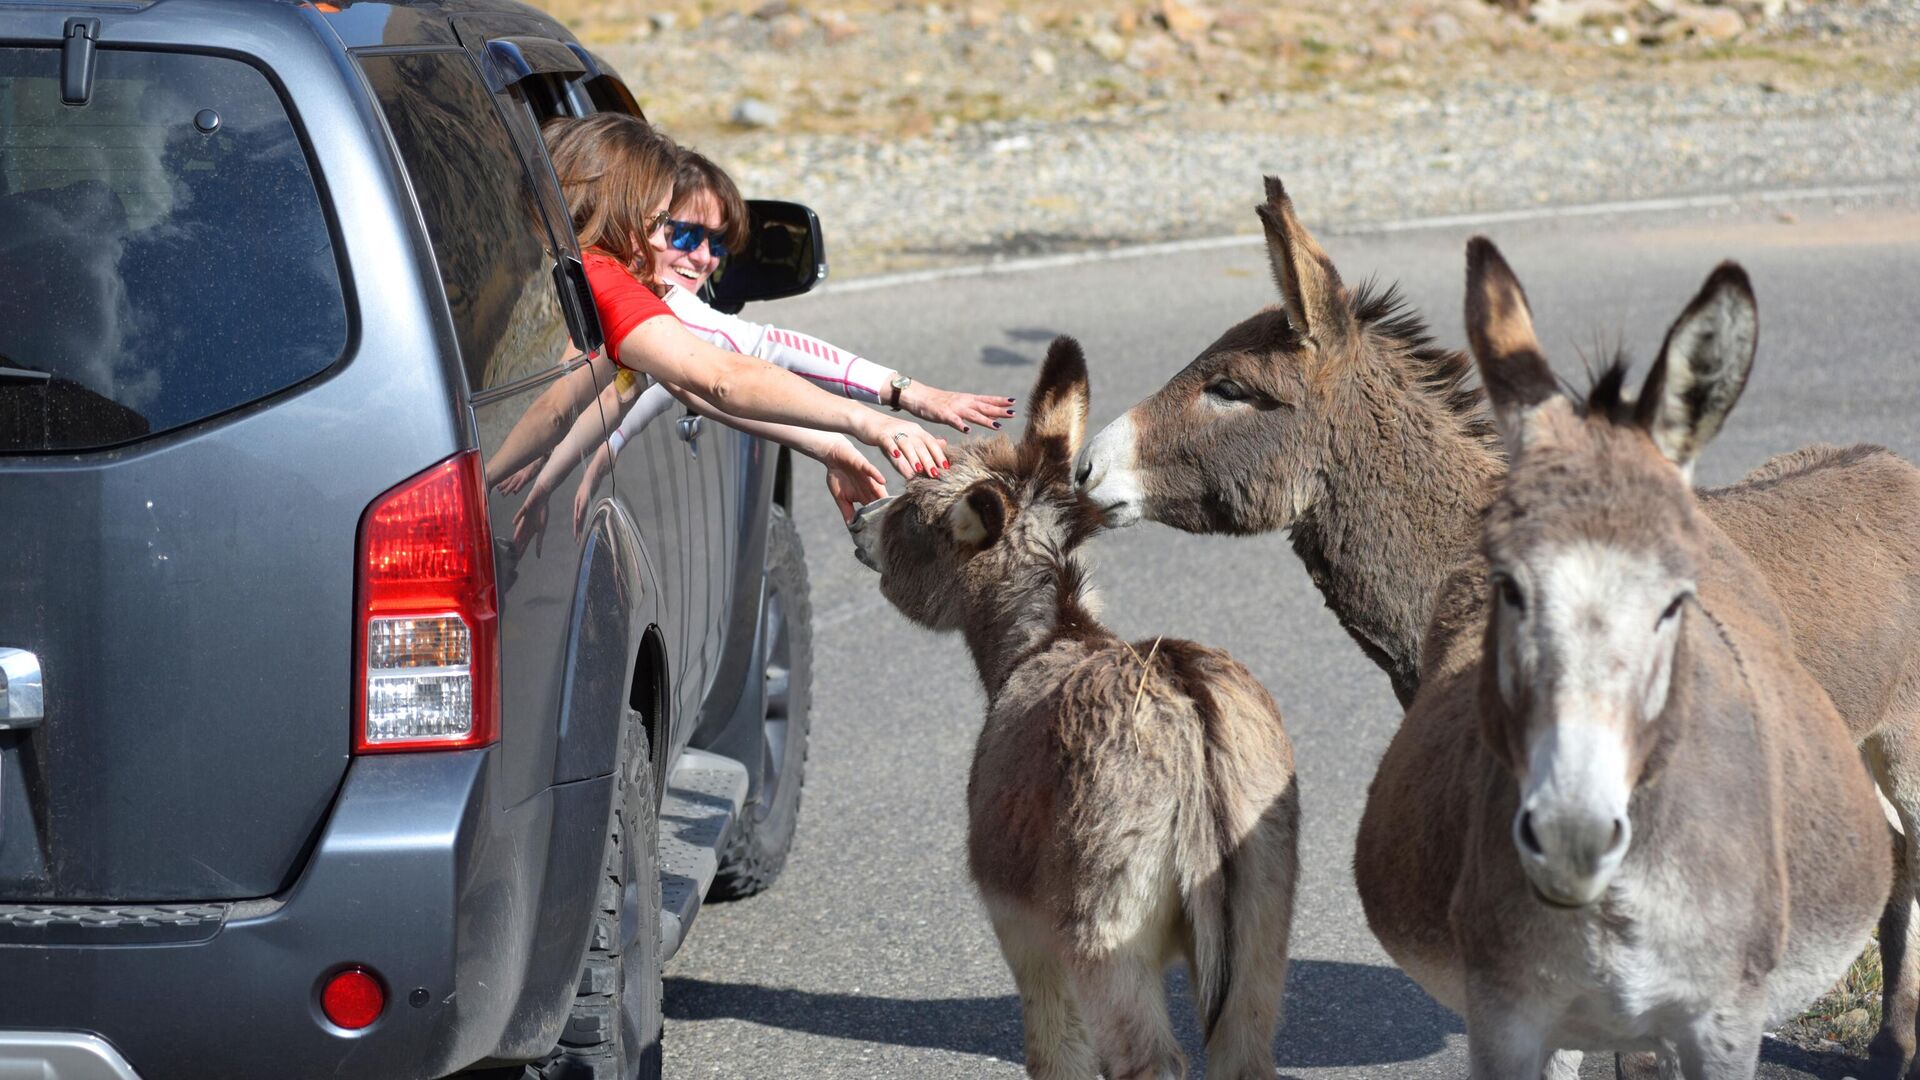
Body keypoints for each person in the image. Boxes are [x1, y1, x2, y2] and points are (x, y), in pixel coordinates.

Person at [486, 113, 949, 528]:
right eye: (665, 222)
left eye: (716, 242)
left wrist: (524, 475)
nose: (680, 248)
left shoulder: (532, 264)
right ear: (625, 205)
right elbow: (723, 378)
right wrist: (871, 421)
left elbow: (626, 392)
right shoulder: (611, 283)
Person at [556, 145, 1015, 532]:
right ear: (630, 218)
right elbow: (738, 367)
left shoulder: (603, 286)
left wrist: (830, 445)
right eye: (681, 232)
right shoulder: (644, 297)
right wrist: (896, 400)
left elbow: (695, 387)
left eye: (717, 244)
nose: (702, 257)